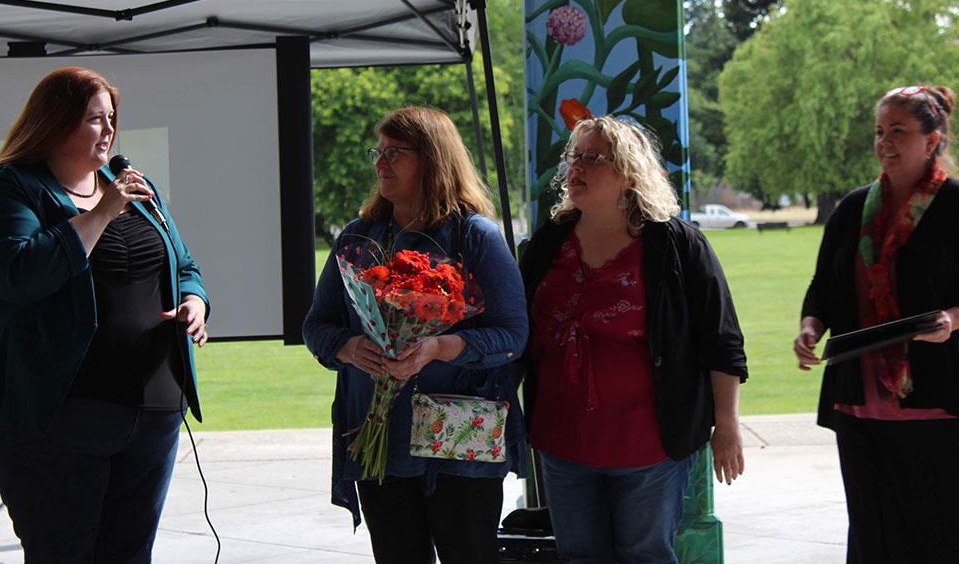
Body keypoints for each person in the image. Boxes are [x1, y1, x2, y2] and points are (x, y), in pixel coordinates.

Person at [0, 67, 210, 564]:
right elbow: (19, 275)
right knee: (63, 554)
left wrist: (194, 301)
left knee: (129, 554)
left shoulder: (131, 184)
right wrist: (99, 214)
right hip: (50, 416)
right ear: (55, 122)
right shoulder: (8, 189)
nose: (109, 131)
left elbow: (184, 265)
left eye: (112, 118)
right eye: (95, 119)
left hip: (152, 408)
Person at [303, 105, 528, 564]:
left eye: (395, 153)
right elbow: (317, 326)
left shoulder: (474, 236)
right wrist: (349, 347)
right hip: (380, 438)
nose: (381, 163)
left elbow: (512, 334)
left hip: (460, 440)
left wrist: (438, 347)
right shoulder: (358, 237)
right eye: (379, 153)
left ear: (432, 159)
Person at [519, 115, 747, 564]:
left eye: (591, 158)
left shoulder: (677, 244)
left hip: (649, 446)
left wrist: (728, 426)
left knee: (645, 556)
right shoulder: (549, 243)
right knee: (578, 557)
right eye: (573, 157)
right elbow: (518, 335)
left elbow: (721, 340)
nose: (575, 168)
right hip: (562, 441)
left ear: (627, 172)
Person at [794, 84, 959, 564]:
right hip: (859, 403)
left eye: (899, 132)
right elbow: (822, 286)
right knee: (871, 534)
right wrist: (810, 327)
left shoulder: (955, 206)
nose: (884, 142)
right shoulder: (852, 209)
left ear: (932, 140)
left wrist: (950, 319)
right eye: (879, 131)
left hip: (937, 399)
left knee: (939, 533)